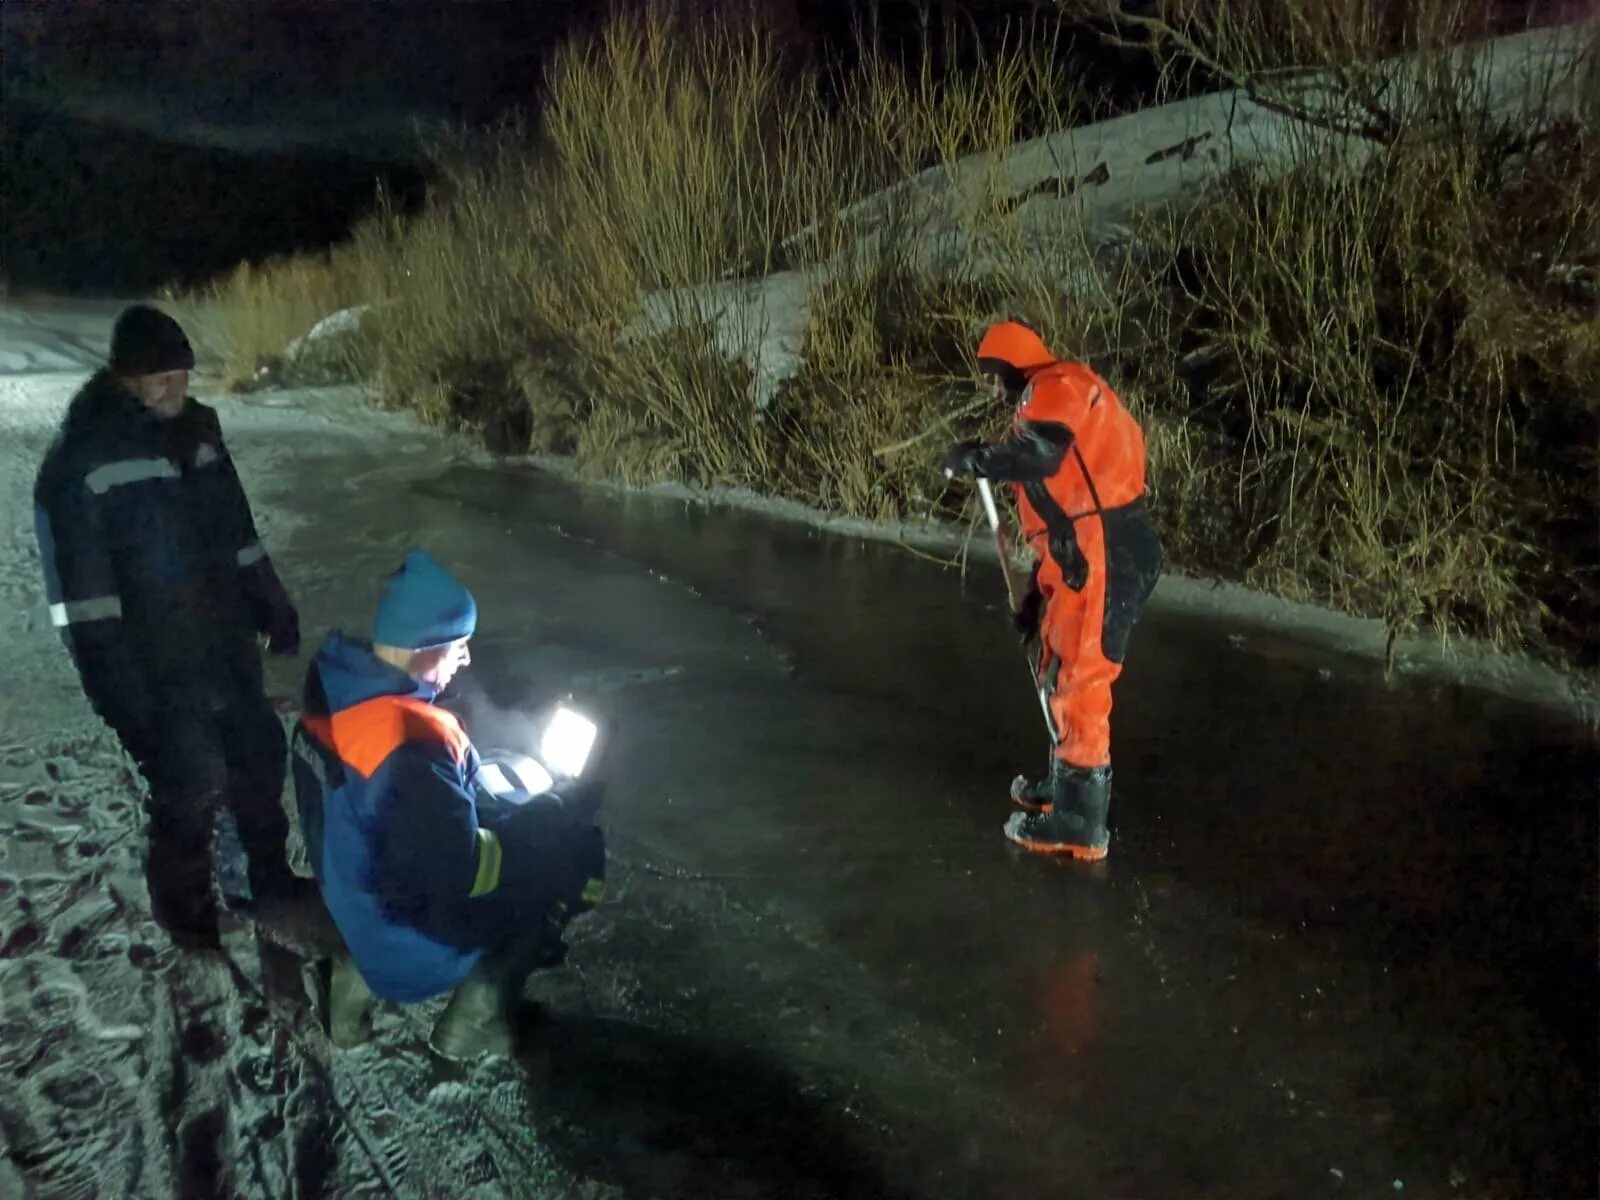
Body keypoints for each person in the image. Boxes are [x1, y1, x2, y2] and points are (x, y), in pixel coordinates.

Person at [34, 304, 304, 948]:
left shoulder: (200, 435)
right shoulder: (81, 462)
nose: (175, 391)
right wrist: (123, 698)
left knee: (258, 762)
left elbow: (240, 536)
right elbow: (85, 607)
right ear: (124, 377)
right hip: (155, 663)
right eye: (160, 379)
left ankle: (261, 880)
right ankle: (185, 910)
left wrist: (272, 603)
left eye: (183, 376)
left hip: (225, 642)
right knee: (190, 784)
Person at [290, 549, 606, 1060]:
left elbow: (381, 814)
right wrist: (539, 832)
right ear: (423, 648)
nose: (466, 659)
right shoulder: (411, 744)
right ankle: (469, 1027)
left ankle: (348, 998)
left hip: (352, 906)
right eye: (458, 646)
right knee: (556, 873)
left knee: (483, 838)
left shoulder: (334, 694)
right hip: (401, 938)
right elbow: (461, 873)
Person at [945, 320, 1163, 860]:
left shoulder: (1059, 385)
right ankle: (1066, 783)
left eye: (999, 378)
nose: (997, 391)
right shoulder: (1046, 399)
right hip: (1078, 549)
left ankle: (1080, 822)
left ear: (1017, 367)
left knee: (1081, 676)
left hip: (1104, 546)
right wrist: (1035, 601)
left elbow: (1041, 455)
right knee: (1055, 653)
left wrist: (982, 461)